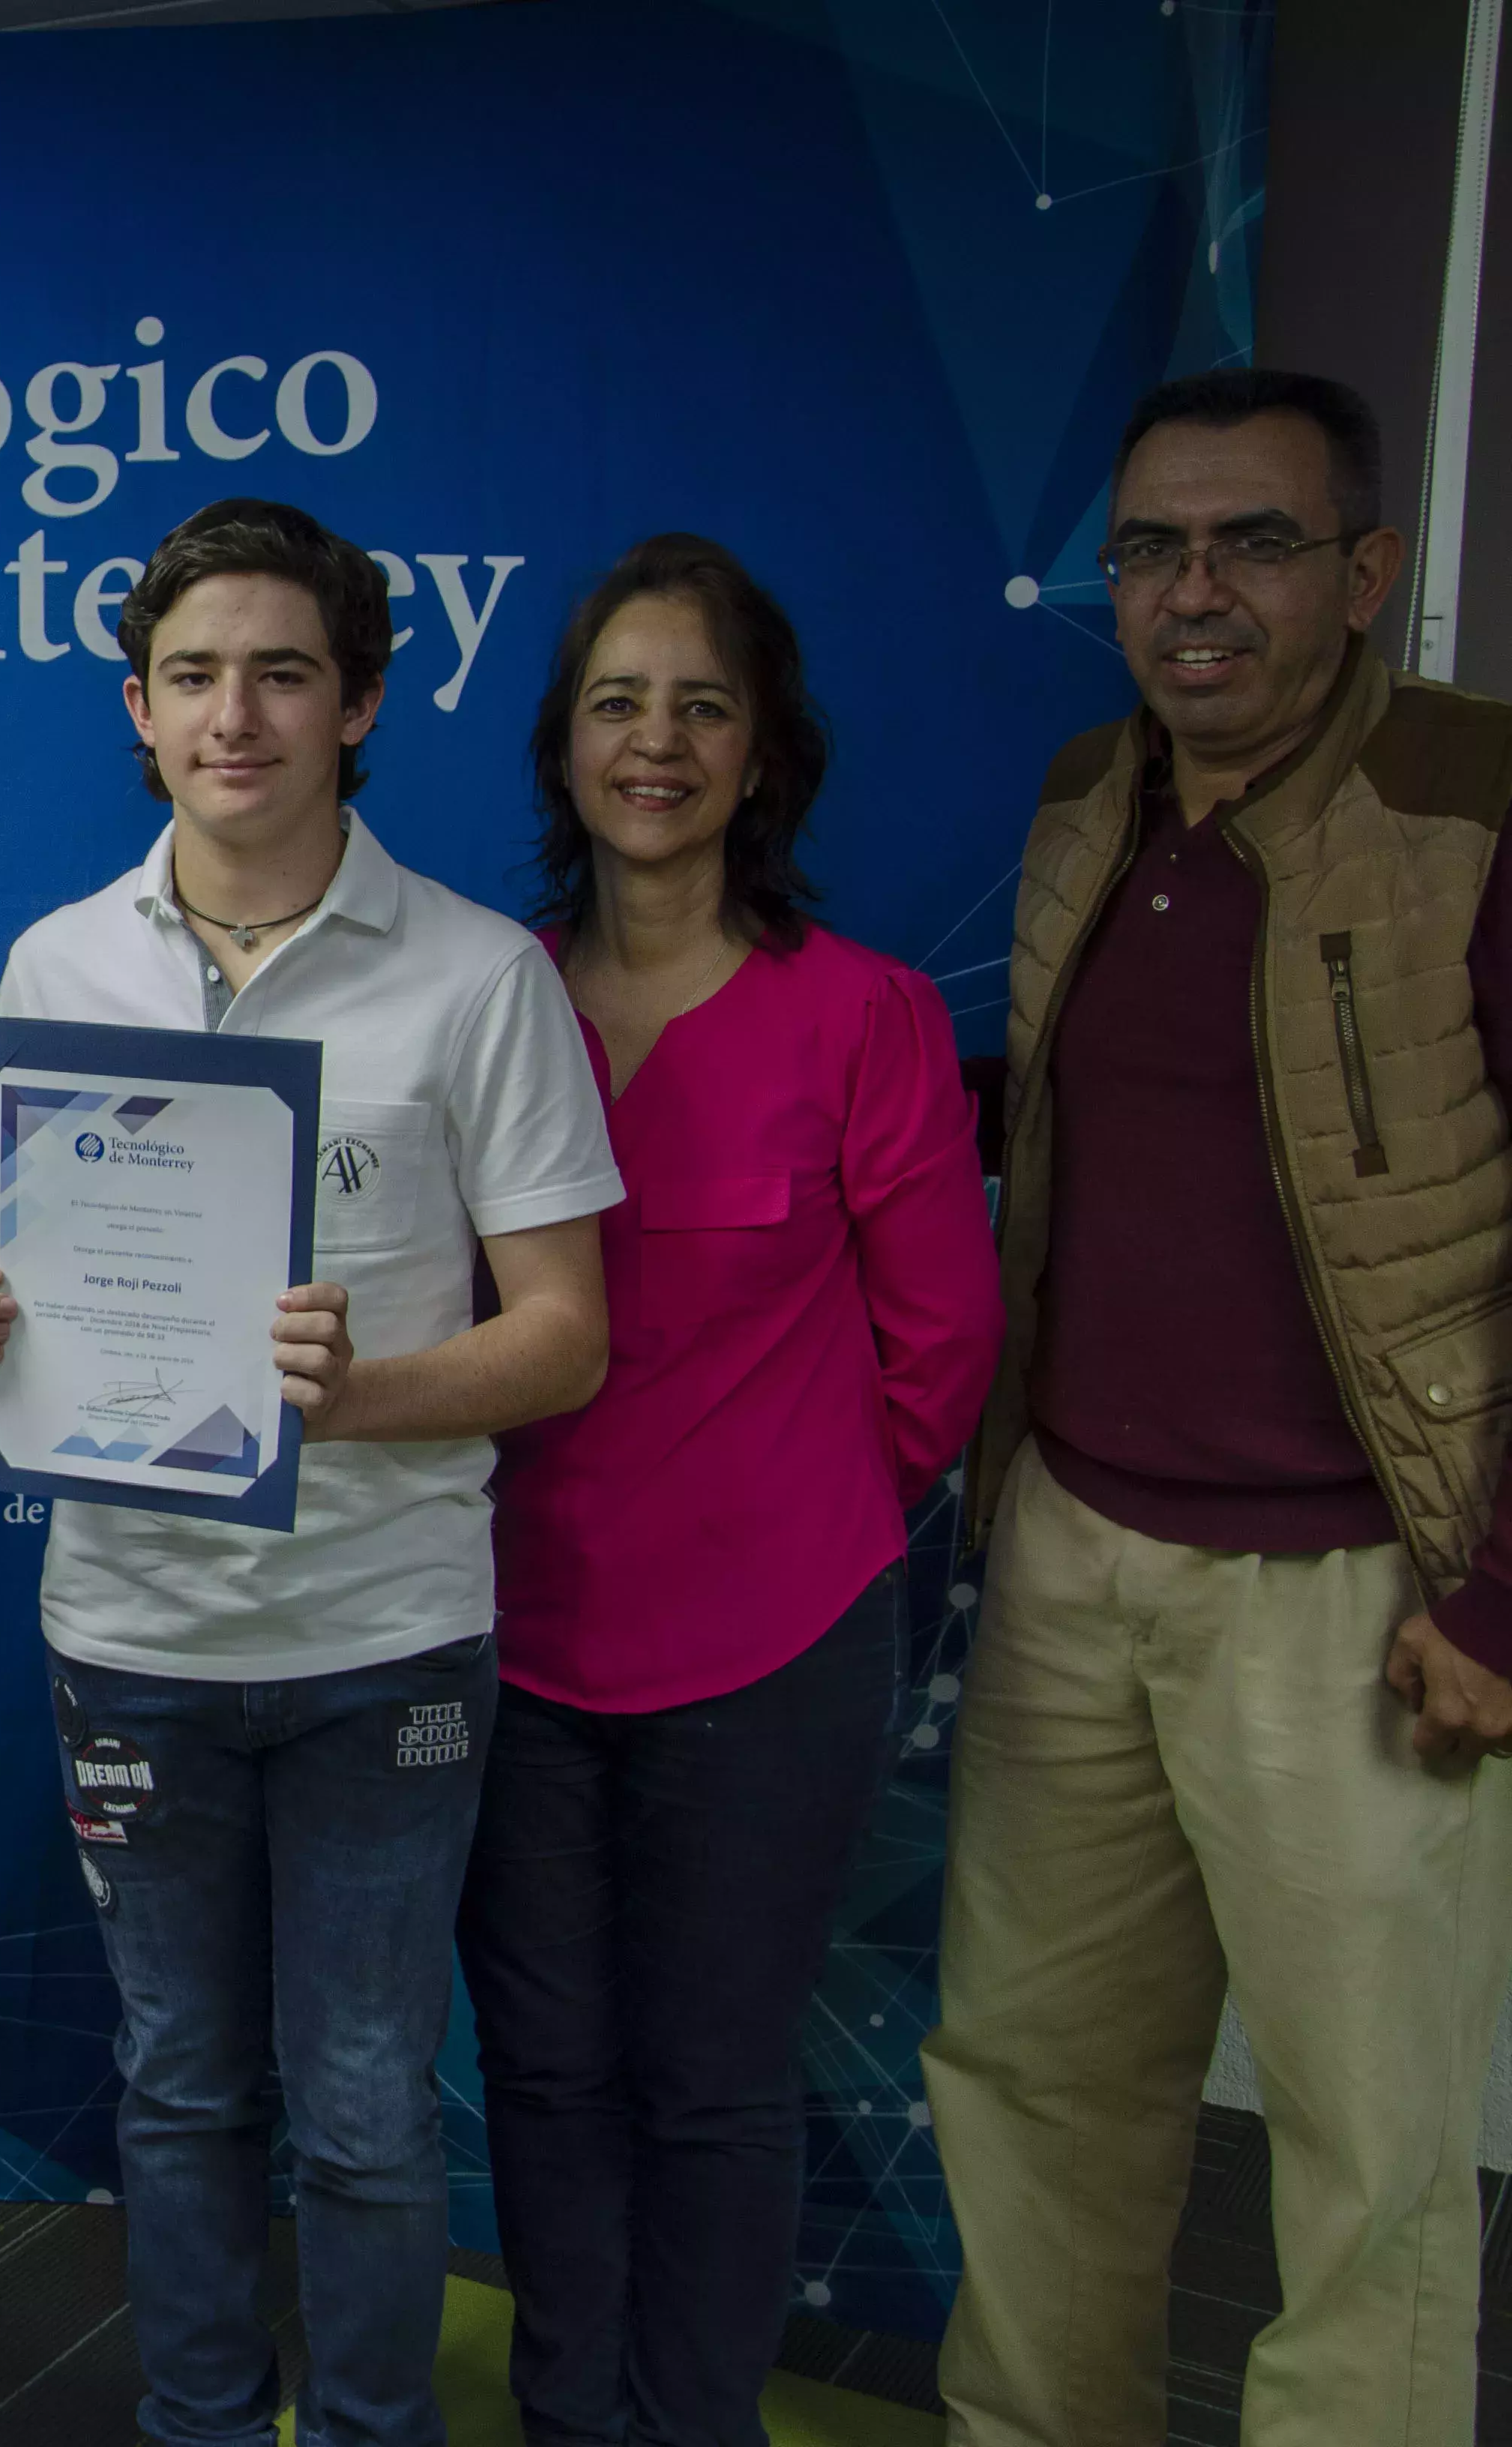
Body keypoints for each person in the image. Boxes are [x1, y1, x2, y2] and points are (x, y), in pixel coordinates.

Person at [0, 497, 621, 2447]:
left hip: (382, 1642)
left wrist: (359, 1392)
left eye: (284, 676)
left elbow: (566, 1334)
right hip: (133, 1636)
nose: (238, 717)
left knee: (376, 2108)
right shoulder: (61, 964)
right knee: (176, 2085)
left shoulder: (478, 977)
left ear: (363, 703)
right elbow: (51, 1303)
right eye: (196, 679)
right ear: (140, 712)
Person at [924, 370, 1512, 2447]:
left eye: (1254, 542)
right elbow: (1092, 1122)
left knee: (1367, 2165)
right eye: (1155, 547)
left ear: (1368, 571)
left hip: (1360, 1597)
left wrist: (1499, 1602)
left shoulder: (1475, 803)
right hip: (1073, 1555)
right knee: (1031, 2086)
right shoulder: (1096, 786)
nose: (1196, 592)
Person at [457, 535, 1002, 2447]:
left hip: (775, 1649)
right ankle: (567, 2423)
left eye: (702, 706)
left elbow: (939, 1348)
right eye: (617, 703)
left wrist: (794, 1517)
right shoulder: (483, 1003)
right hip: (512, 1640)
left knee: (708, 2082)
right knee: (540, 2074)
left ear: (764, 756)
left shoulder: (860, 1015)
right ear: (564, 748)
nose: (657, 741)